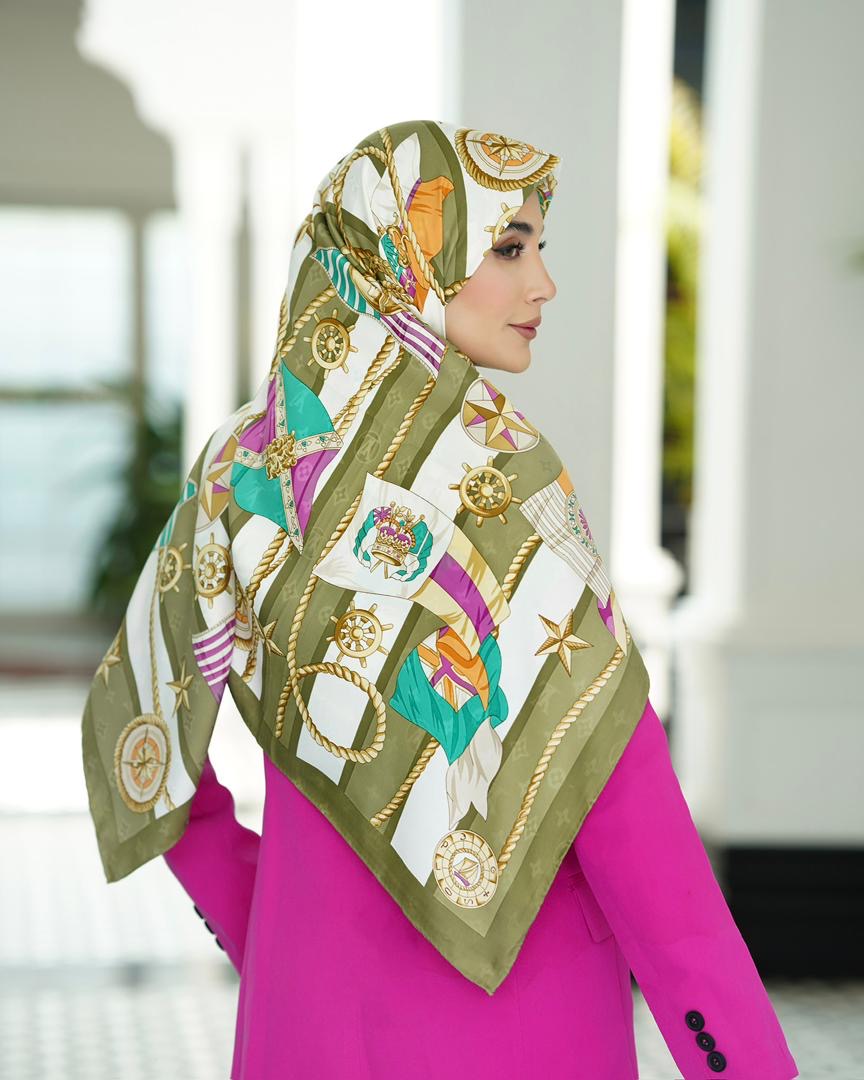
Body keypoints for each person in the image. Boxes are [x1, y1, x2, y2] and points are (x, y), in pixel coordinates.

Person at [83, 120, 798, 1079]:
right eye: (508, 247)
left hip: (311, 1028)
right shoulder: (502, 478)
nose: (543, 284)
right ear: (403, 256)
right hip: (529, 1024)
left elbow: (139, 729)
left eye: (539, 248)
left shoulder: (237, 473)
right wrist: (743, 1062)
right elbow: (629, 814)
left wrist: (278, 938)